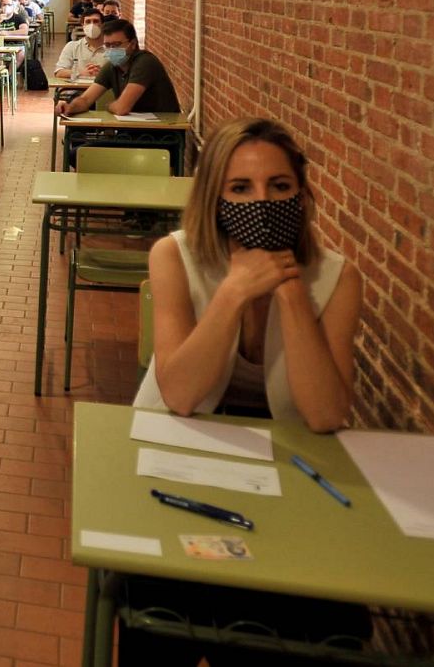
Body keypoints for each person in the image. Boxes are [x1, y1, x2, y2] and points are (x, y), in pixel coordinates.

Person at [121, 117, 366, 665]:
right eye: (241, 189)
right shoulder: (175, 256)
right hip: (184, 456)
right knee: (160, 608)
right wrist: (233, 293)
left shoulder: (336, 277)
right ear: (214, 196)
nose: (262, 201)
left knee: (310, 621)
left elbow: (326, 414)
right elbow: (181, 394)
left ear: (301, 194)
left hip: (293, 471)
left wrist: (290, 294)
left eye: (279, 187)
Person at [57, 19, 180, 116]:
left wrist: (108, 105)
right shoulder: (111, 67)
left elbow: (121, 108)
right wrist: (69, 107)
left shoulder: (145, 62)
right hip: (130, 132)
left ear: (132, 44)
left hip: (161, 134)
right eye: (107, 45)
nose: (111, 50)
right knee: (78, 148)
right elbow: (86, 100)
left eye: (116, 45)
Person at [55, 9, 108, 82]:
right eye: (88, 22)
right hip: (76, 91)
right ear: (83, 25)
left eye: (96, 21)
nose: (92, 25)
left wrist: (103, 74)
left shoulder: (112, 48)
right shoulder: (72, 46)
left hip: (104, 91)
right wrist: (80, 73)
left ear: (102, 24)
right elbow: (59, 72)